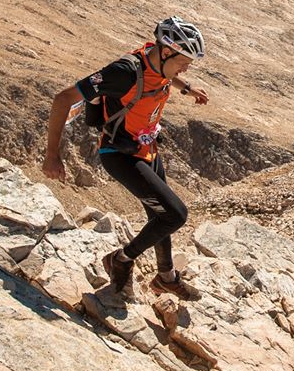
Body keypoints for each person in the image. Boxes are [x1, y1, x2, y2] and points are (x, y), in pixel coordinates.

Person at [42, 16, 208, 300]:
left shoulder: (157, 59)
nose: (186, 68)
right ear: (167, 51)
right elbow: (63, 99)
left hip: (147, 146)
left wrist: (186, 87)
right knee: (175, 214)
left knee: (159, 215)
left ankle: (166, 277)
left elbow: (163, 72)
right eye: (184, 62)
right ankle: (120, 260)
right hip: (120, 154)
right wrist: (52, 155)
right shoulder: (123, 72)